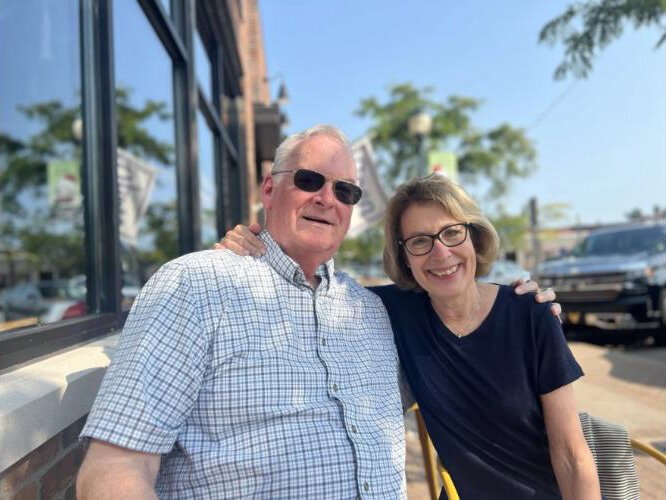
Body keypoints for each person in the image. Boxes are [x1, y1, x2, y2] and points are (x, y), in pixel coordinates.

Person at [77, 125, 555, 499]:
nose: (328, 198)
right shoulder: (196, 285)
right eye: (309, 181)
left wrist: (516, 302)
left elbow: (458, 308)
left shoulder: (373, 309)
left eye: (346, 190)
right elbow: (117, 467)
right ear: (269, 190)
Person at [219, 175, 598, 499]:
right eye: (420, 241)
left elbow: (572, 454)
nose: (441, 253)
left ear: (474, 237)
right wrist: (248, 247)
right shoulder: (392, 311)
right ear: (403, 257)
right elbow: (307, 287)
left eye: (452, 233)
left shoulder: (528, 312)